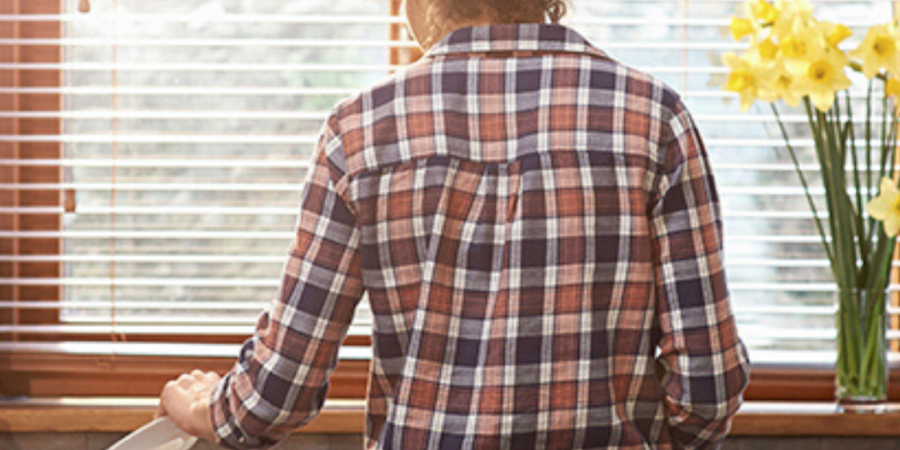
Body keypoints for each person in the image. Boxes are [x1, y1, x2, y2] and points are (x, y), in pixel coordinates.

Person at [156, 0, 751, 448]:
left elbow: (275, 395)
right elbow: (708, 389)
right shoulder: (653, 118)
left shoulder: (359, 131)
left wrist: (205, 407)